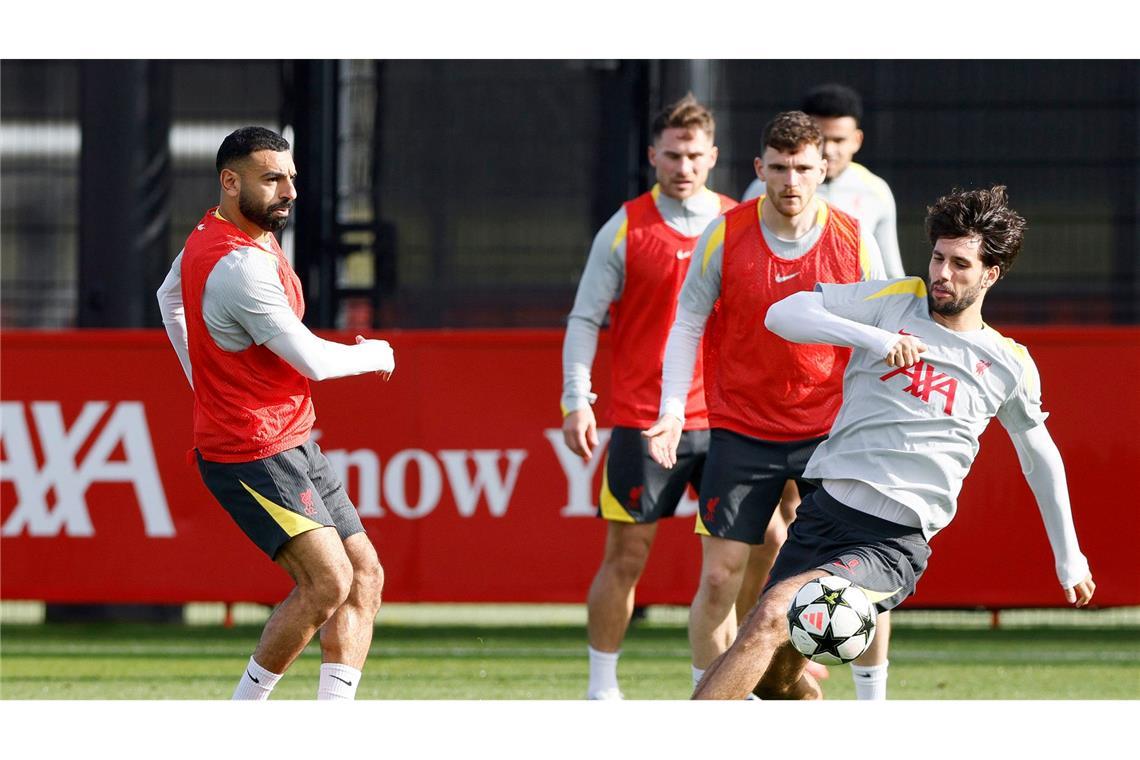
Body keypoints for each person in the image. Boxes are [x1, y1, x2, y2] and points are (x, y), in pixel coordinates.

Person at [693, 185, 1096, 699]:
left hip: (890, 544)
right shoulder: (895, 301)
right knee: (776, 680)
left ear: (991, 274)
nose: (942, 274)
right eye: (937, 257)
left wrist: (1070, 557)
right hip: (823, 518)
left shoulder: (1007, 362)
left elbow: (1039, 457)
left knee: (773, 614)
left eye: (960, 264)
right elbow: (781, 315)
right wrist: (878, 341)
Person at [643, 110, 885, 696]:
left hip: (830, 434)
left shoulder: (855, 238)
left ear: (824, 168)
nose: (791, 181)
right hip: (741, 430)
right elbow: (688, 323)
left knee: (857, 579)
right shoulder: (726, 232)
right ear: (759, 169)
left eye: (804, 167)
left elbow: (882, 330)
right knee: (721, 577)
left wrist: (876, 423)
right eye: (778, 167)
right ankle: (713, 704)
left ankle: (874, 708)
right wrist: (673, 410)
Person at [156, 126, 396, 700]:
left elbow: (168, 300)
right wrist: (373, 353)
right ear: (229, 182)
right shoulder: (239, 265)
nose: (288, 190)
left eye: (291, 177)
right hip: (249, 449)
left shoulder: (220, 236)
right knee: (327, 581)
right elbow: (312, 359)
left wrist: (203, 378)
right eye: (272, 179)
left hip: (290, 437)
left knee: (364, 576)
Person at [561, 94, 736, 700]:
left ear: (712, 157)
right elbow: (585, 319)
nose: (683, 166)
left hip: (725, 419)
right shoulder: (625, 227)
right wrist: (576, 399)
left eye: (694, 155)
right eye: (672, 155)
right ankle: (600, 690)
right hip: (642, 420)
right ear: (652, 156)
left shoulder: (740, 222)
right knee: (626, 557)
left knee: (740, 559)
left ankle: (727, 686)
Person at [739, 83, 904, 699]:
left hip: (845, 401)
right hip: (772, 396)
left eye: (836, 142)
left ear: (853, 142)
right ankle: (781, 658)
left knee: (865, 547)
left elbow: (890, 287)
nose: (824, 156)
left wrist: (886, 359)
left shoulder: (871, 198)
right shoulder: (766, 197)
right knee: (773, 537)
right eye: (817, 141)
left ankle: (870, 699)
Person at [744, 83, 902, 279]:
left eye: (839, 140)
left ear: (857, 140)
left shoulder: (876, 191)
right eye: (821, 139)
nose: (828, 150)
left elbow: (891, 275)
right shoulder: (764, 187)